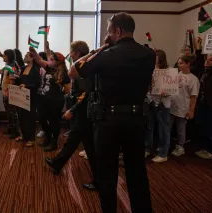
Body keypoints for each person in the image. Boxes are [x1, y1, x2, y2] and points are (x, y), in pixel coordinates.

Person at [69, 13, 154, 212]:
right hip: (136, 119)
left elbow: (73, 71)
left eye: (109, 32)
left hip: (109, 121)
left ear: (117, 31)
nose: (108, 36)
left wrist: (101, 48)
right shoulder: (149, 55)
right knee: (137, 172)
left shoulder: (106, 55)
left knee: (108, 173)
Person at [44, 40, 98, 190]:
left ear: (78, 53)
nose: (70, 54)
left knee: (84, 144)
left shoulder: (83, 70)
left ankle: (99, 180)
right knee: (80, 142)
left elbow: (85, 95)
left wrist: (72, 110)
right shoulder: (81, 67)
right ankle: (58, 163)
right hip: (82, 112)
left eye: (72, 51)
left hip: (84, 112)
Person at [30, 47, 71, 152]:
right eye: (50, 59)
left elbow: (67, 91)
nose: (49, 61)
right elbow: (39, 60)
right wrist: (34, 52)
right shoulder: (48, 68)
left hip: (55, 101)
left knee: (54, 122)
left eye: (52, 59)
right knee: (41, 118)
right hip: (43, 99)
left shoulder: (64, 74)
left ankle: (54, 142)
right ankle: (48, 136)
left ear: (58, 62)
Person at [145, 49, 171, 163]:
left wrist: (166, 91)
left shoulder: (169, 71)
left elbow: (173, 88)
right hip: (151, 101)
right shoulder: (150, 69)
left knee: (163, 128)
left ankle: (163, 153)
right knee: (149, 127)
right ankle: (147, 148)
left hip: (163, 103)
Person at [170, 55, 199, 157]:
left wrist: (191, 110)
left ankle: (180, 147)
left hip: (183, 108)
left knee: (181, 128)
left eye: (181, 63)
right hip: (172, 106)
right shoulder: (176, 74)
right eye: (178, 63)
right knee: (168, 126)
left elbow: (193, 97)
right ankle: (167, 145)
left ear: (188, 64)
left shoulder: (193, 79)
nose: (179, 65)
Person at [16, 52, 40, 146]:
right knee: (22, 116)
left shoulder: (35, 69)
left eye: (26, 56)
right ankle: (24, 136)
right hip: (22, 96)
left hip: (31, 96)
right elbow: (21, 81)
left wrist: (26, 85)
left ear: (32, 58)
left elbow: (37, 84)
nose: (24, 58)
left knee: (30, 117)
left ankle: (31, 139)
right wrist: (16, 78)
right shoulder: (23, 68)